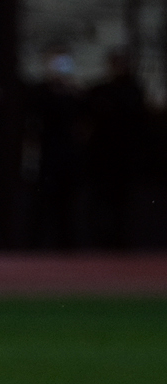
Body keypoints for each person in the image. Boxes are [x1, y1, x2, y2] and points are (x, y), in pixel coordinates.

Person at [24, 48, 86, 249]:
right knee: (42, 204)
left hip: (69, 157)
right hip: (47, 156)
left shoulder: (76, 95)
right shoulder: (39, 93)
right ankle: (35, 246)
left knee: (67, 205)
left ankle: (67, 246)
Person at [87, 49, 147, 249]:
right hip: (103, 159)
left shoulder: (134, 91)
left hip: (126, 158)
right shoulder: (100, 91)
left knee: (124, 205)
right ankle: (101, 242)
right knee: (102, 204)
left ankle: (122, 243)